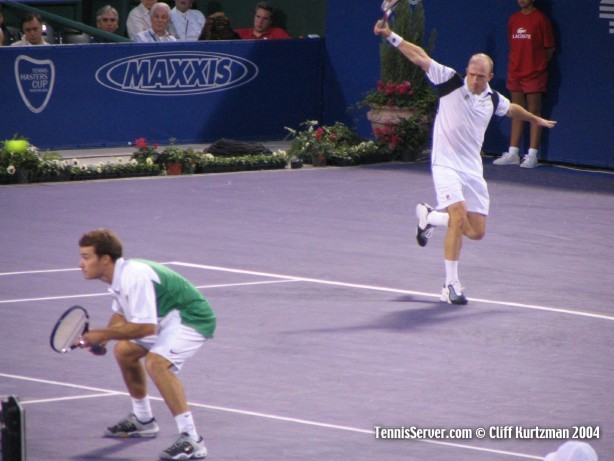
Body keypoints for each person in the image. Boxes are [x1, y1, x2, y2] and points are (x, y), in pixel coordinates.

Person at [372, 19, 556, 304]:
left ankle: (429, 217)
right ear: (466, 71)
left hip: (471, 170)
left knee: (476, 232)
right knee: (458, 218)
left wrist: (536, 119)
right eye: (471, 74)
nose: (473, 80)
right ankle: (450, 285)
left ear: (490, 77)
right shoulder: (449, 80)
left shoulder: (493, 100)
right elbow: (420, 56)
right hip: (445, 164)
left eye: (480, 77)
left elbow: (513, 109)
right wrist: (391, 36)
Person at [78, 228, 215, 460]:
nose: (80, 264)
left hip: (190, 316)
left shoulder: (134, 277)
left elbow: (146, 328)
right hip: (166, 318)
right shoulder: (118, 277)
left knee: (157, 363)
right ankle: (143, 421)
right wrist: (105, 339)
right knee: (124, 351)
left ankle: (192, 439)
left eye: (86, 257)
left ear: (105, 259)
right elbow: (122, 315)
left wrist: (100, 334)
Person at [493, 0, 555, 168]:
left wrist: (538, 66)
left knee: (534, 111)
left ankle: (532, 155)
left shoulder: (541, 20)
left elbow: (549, 48)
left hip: (535, 73)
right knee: (516, 110)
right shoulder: (513, 19)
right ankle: (513, 153)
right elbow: (512, 45)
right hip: (515, 72)